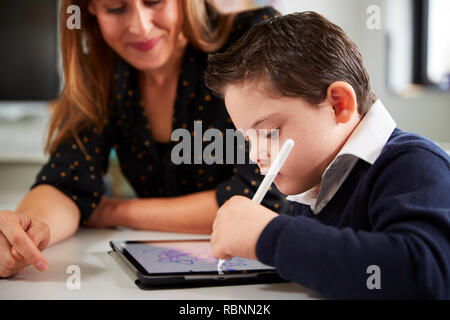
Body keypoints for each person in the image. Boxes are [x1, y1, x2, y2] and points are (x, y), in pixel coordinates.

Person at [0, 1, 290, 278]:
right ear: (90, 8)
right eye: (115, 8)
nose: (140, 26)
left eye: (154, 1)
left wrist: (111, 211)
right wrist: (23, 232)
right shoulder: (100, 69)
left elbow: (260, 201)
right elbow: (66, 181)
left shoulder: (252, 37)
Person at [205, 11, 450, 299]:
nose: (255, 155)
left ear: (338, 104)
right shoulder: (311, 192)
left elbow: (424, 275)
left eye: (269, 132)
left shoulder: (414, 165)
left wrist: (268, 235)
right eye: (248, 139)